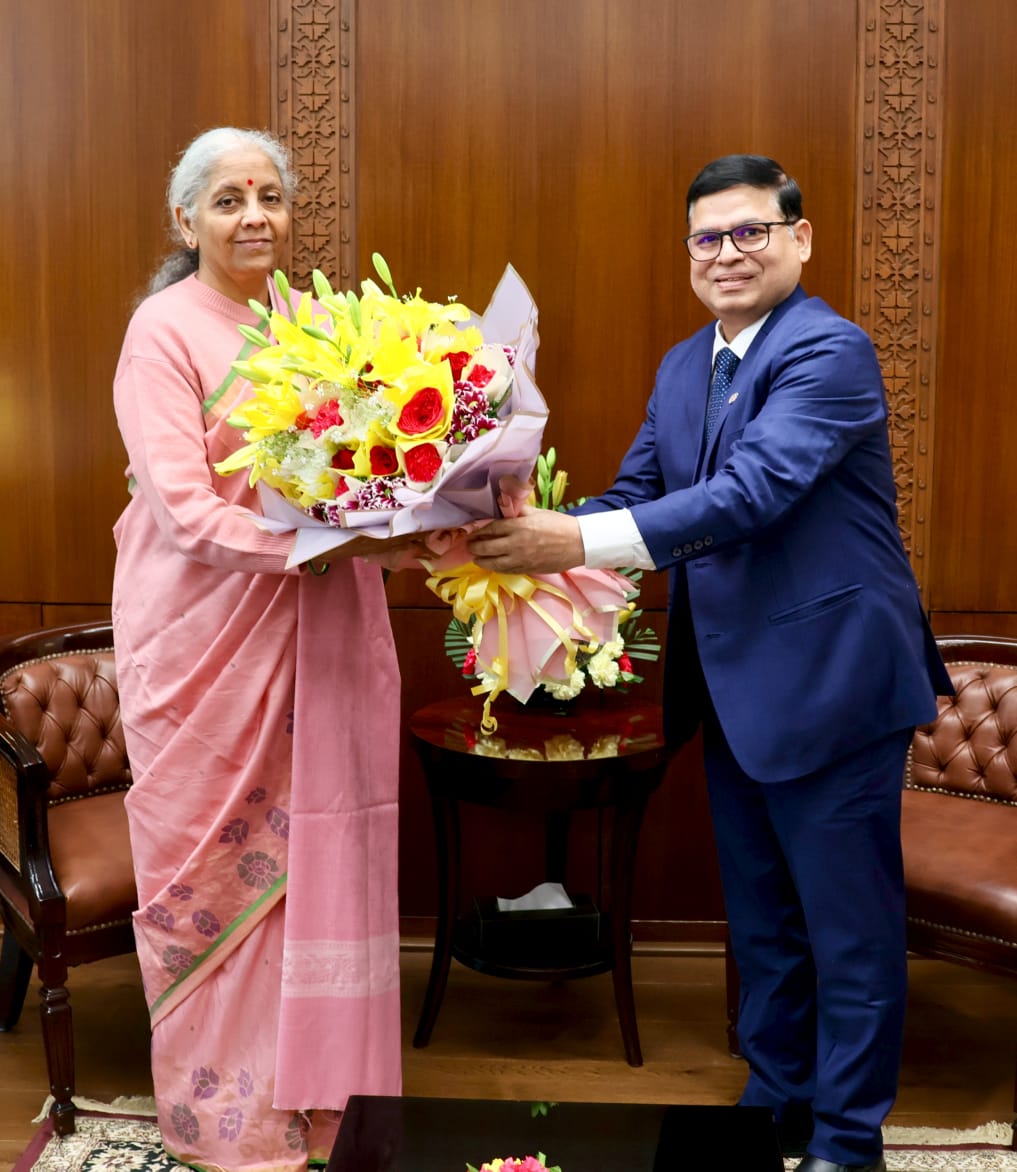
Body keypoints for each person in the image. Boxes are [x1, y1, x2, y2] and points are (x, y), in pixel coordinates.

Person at [467, 154, 952, 1172]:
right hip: (731, 689)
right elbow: (638, 490)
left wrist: (576, 544)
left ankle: (848, 1141)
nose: (727, 254)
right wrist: (502, 525)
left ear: (799, 239)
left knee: (849, 934)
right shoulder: (689, 363)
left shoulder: (832, 351)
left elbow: (753, 492)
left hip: (834, 685)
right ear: (687, 253)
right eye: (707, 238)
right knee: (766, 924)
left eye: (750, 232)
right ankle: (776, 1098)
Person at [111, 127, 407, 1171]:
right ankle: (227, 1121)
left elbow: (376, 461)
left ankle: (327, 1103)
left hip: (323, 630)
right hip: (206, 647)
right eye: (229, 198)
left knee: (329, 856)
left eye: (270, 196)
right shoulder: (164, 331)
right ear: (184, 219)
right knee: (218, 878)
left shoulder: (313, 321)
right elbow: (186, 512)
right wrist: (314, 543)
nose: (254, 216)